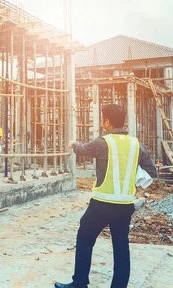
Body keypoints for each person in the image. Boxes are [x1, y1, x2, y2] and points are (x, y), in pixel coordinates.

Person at [55, 104, 157, 288]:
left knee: (85, 238)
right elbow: (152, 171)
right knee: (121, 246)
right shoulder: (137, 145)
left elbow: (84, 150)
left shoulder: (104, 142)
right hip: (126, 204)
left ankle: (79, 282)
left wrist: (72, 144)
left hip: (102, 203)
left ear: (107, 121)